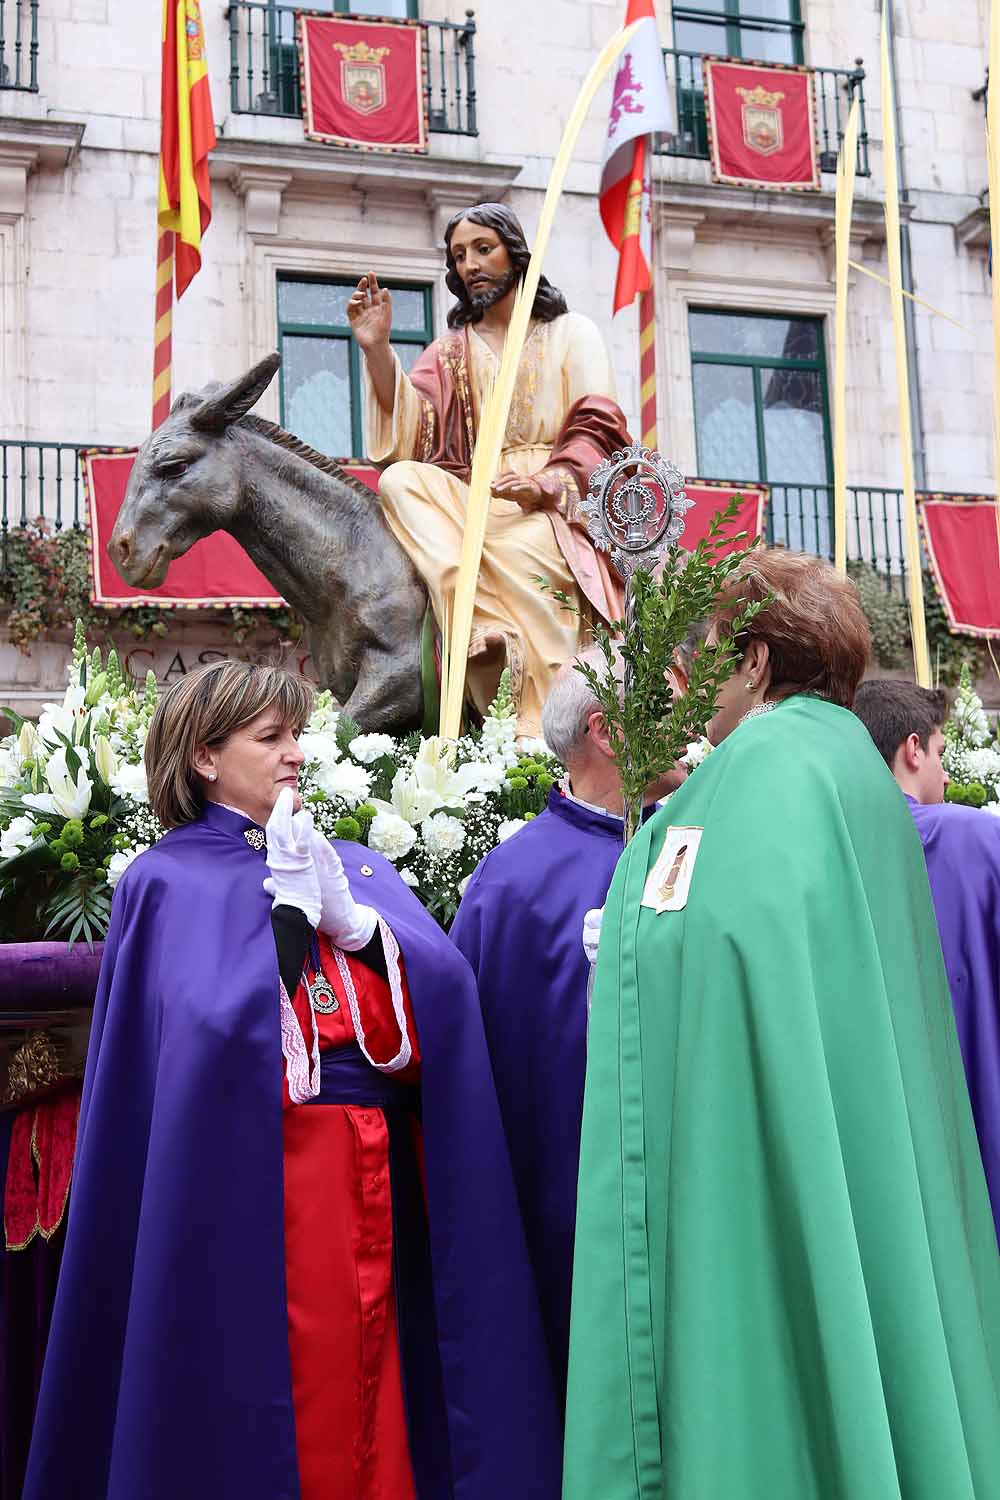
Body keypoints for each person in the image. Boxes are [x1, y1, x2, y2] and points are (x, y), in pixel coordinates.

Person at [23, 661, 561, 1500]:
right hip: (262, 1185)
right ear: (204, 757)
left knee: (379, 1387)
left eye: (298, 735)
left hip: (379, 1172)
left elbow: (447, 1005)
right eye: (270, 738)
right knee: (298, 1403)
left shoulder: (352, 861)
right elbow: (205, 1036)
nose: (296, 754)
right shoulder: (164, 882)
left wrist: (363, 932)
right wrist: (284, 930)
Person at [564, 550, 1000, 1499]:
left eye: (714, 654)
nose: (703, 685)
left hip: (758, 1142)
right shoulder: (847, 760)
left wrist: (631, 934)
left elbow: (732, 939)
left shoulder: (764, 765)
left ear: (757, 662)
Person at [449, 646, 685, 1407]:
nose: (690, 724)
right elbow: (475, 1066)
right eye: (667, 705)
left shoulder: (700, 847)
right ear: (606, 731)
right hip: (567, 1196)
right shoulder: (512, 882)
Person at [347, 202, 631, 736]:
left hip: (553, 500)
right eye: (459, 256)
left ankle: (542, 718)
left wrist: (543, 486)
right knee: (399, 481)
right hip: (475, 494)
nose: (470, 265)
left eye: (483, 249)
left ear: (516, 253)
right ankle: (474, 619)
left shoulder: (572, 334)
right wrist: (378, 350)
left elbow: (599, 427)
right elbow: (409, 434)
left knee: (529, 547)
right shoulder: (451, 351)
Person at [854, 677, 1000, 1246]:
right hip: (977, 1123)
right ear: (912, 749)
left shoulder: (823, 852)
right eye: (939, 753)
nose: (944, 776)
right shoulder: (977, 839)